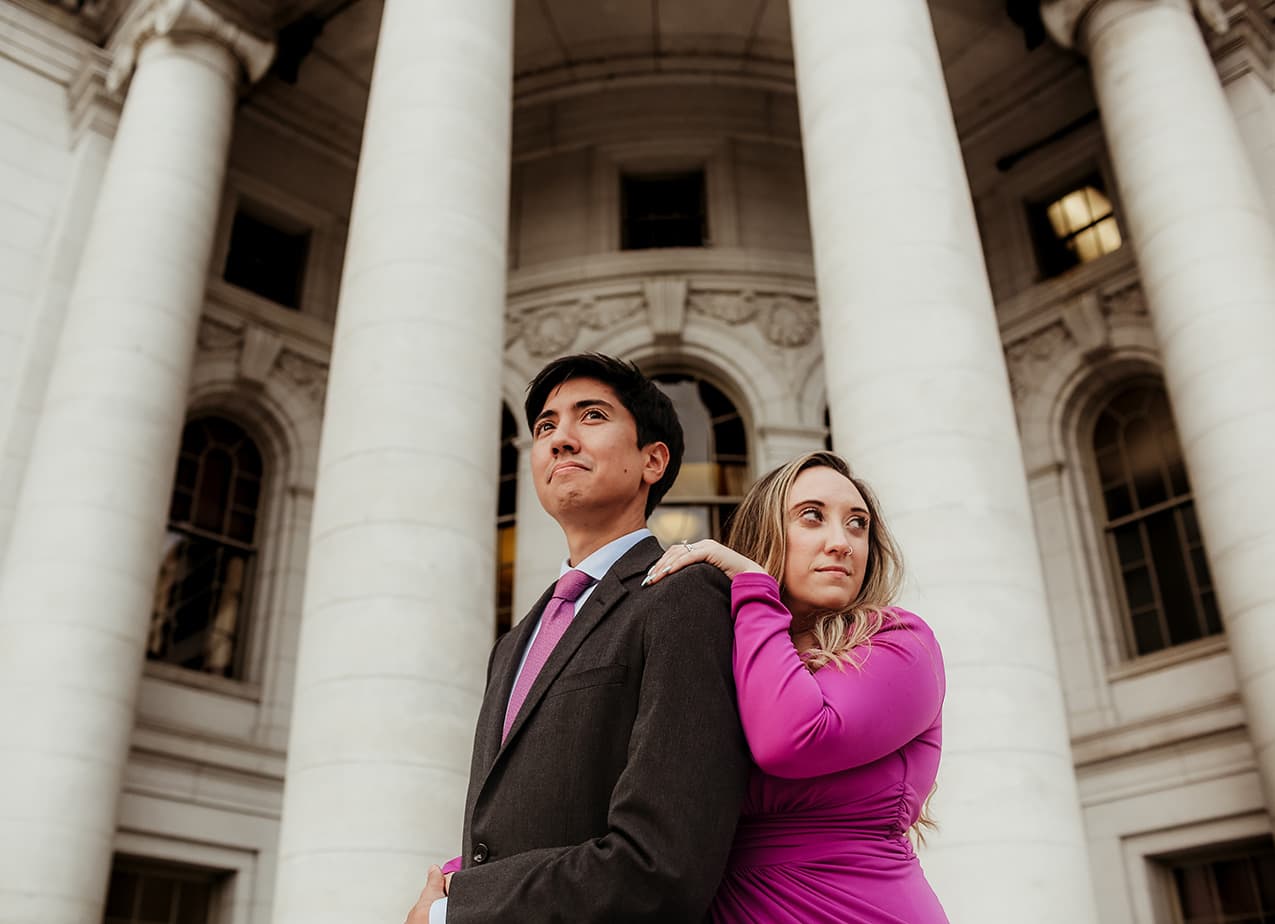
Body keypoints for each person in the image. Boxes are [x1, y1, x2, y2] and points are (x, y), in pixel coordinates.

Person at [405, 353, 750, 924]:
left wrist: (453, 912)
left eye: (590, 416)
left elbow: (660, 864)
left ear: (653, 460)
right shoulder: (514, 643)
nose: (560, 439)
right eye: (545, 426)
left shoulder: (684, 597)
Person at [644, 450, 948, 923]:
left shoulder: (902, 643)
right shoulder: (721, 651)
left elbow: (791, 739)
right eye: (812, 517)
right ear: (765, 532)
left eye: (857, 524)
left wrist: (752, 583)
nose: (841, 542)